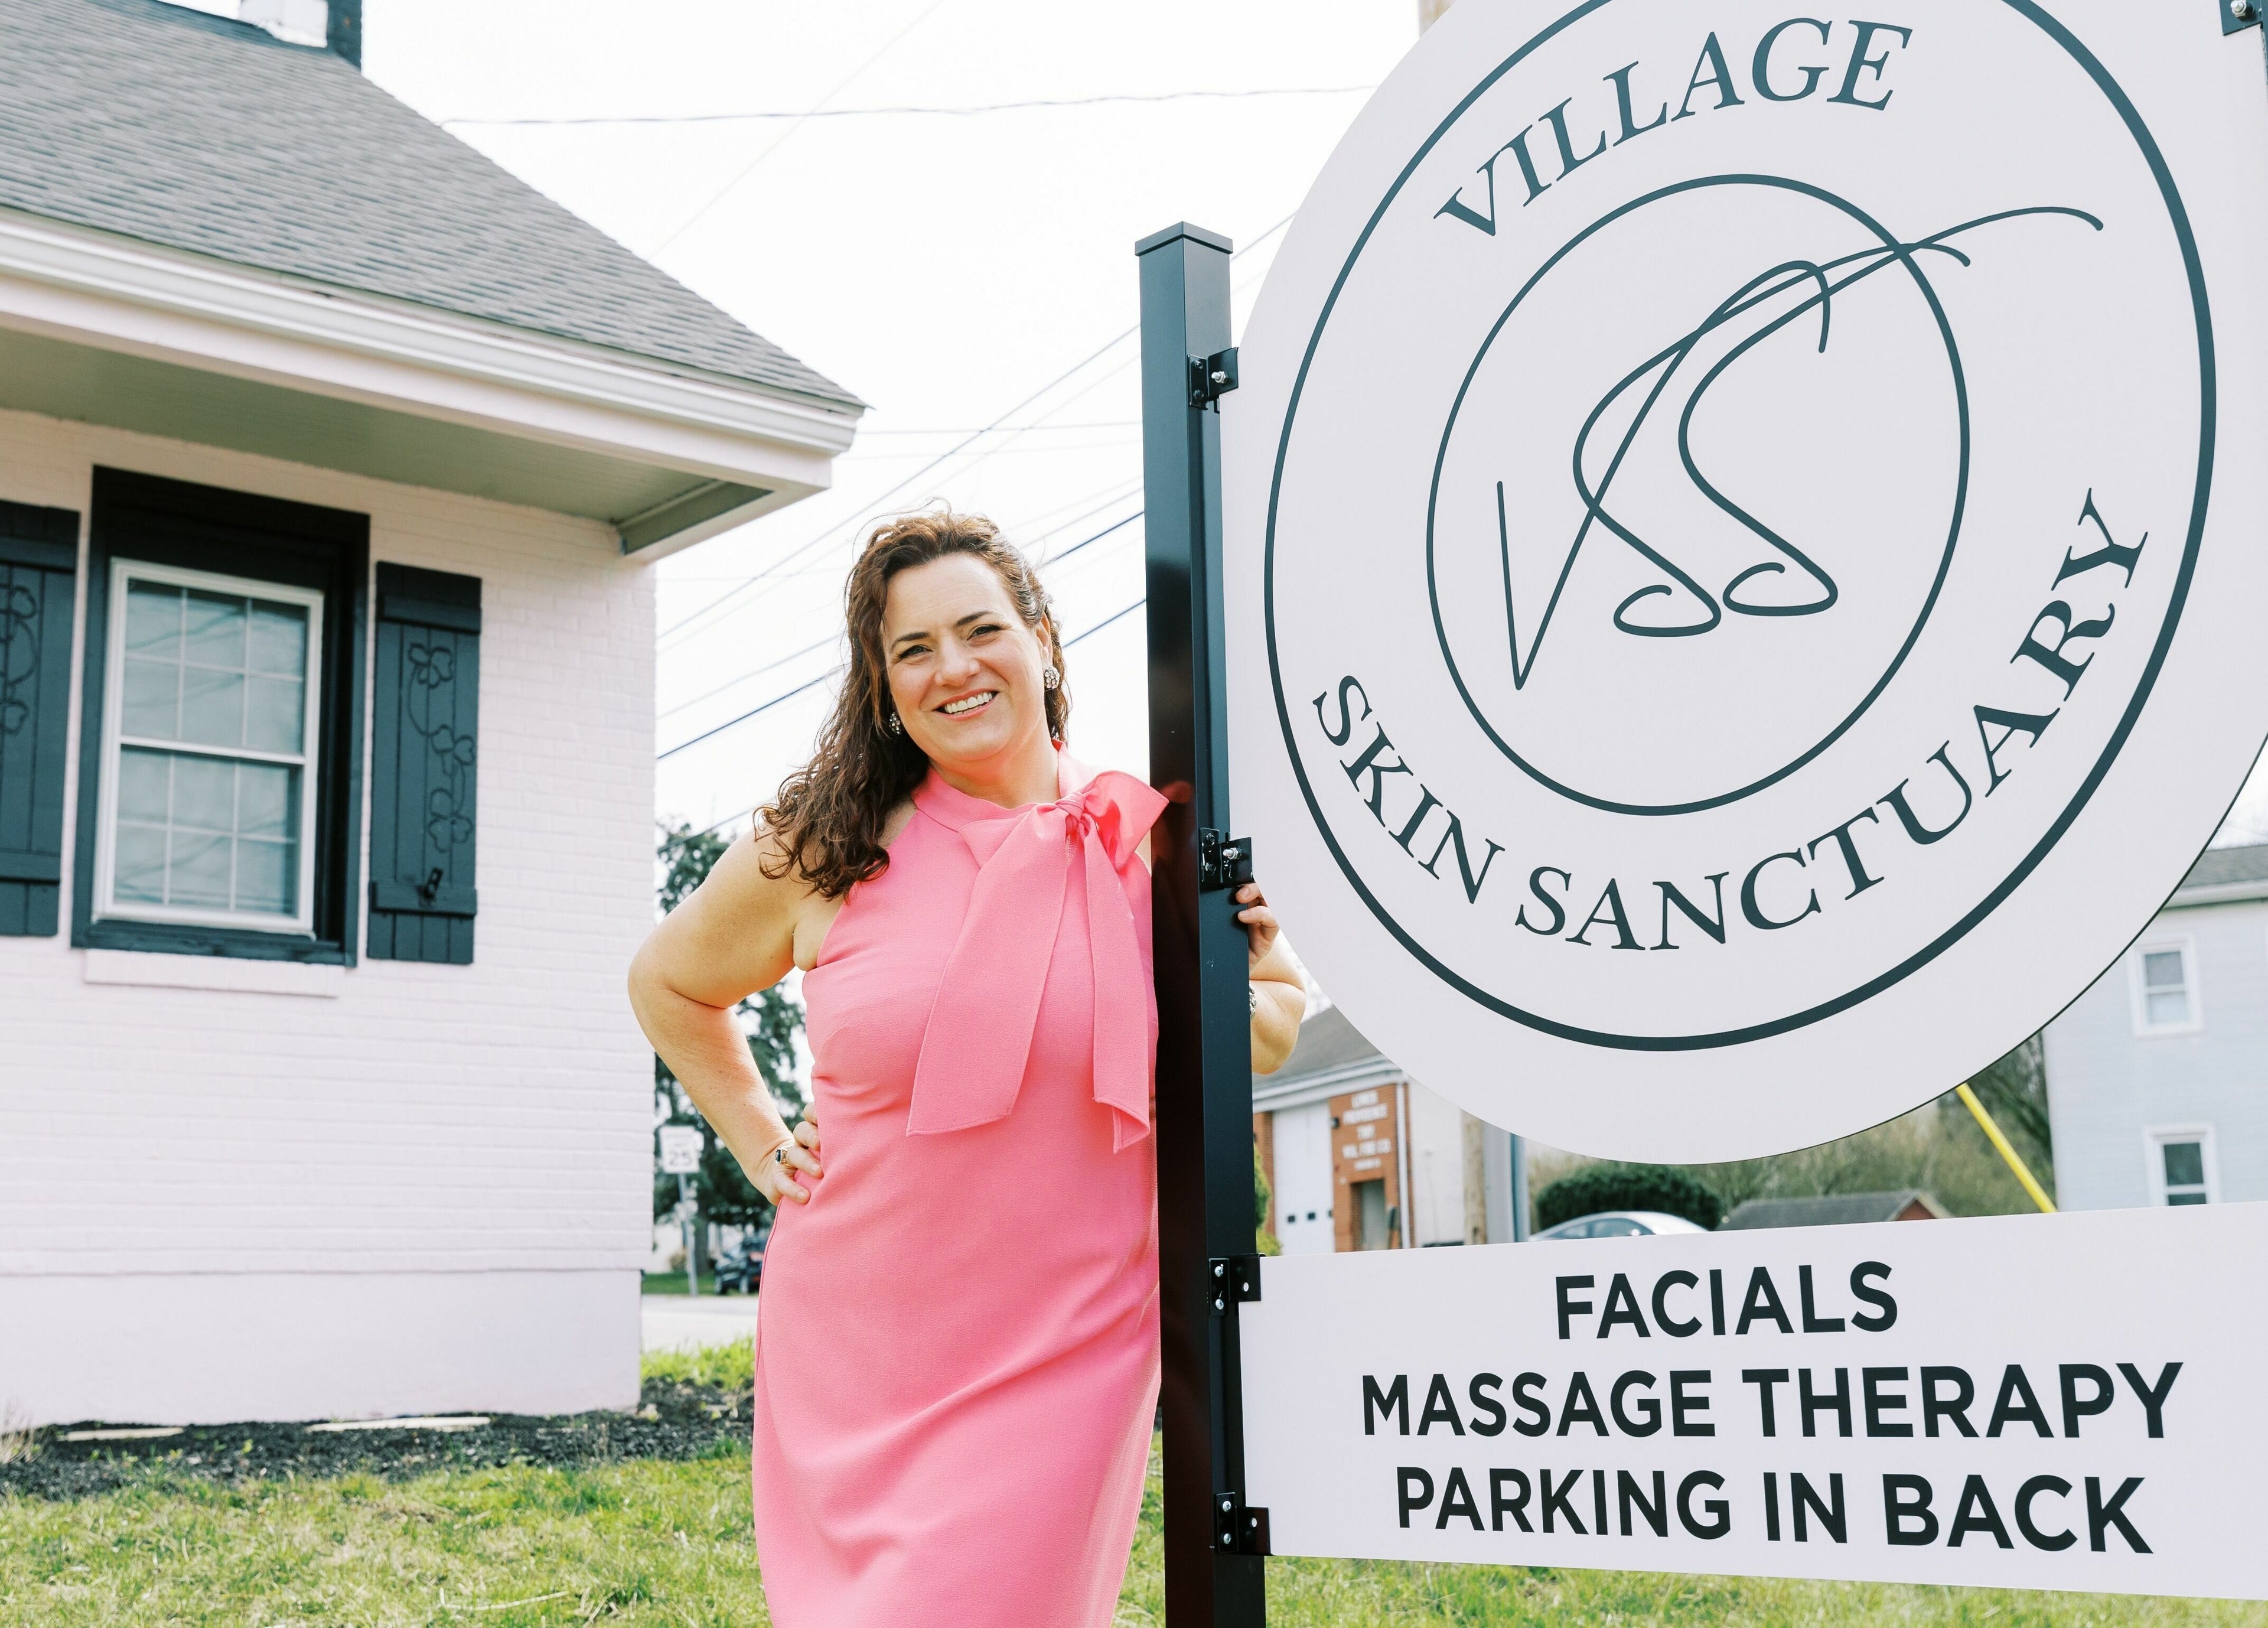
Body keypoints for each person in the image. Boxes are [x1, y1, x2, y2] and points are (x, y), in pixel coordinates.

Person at [628, 510, 1306, 1626]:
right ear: (883, 687)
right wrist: (757, 1136)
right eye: (913, 649)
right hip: (857, 1341)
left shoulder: (1143, 838)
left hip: (1069, 1344)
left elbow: (1271, 1030)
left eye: (981, 629)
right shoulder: (825, 846)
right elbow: (667, 983)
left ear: (1043, 639)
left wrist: (1218, 957)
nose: (953, 668)